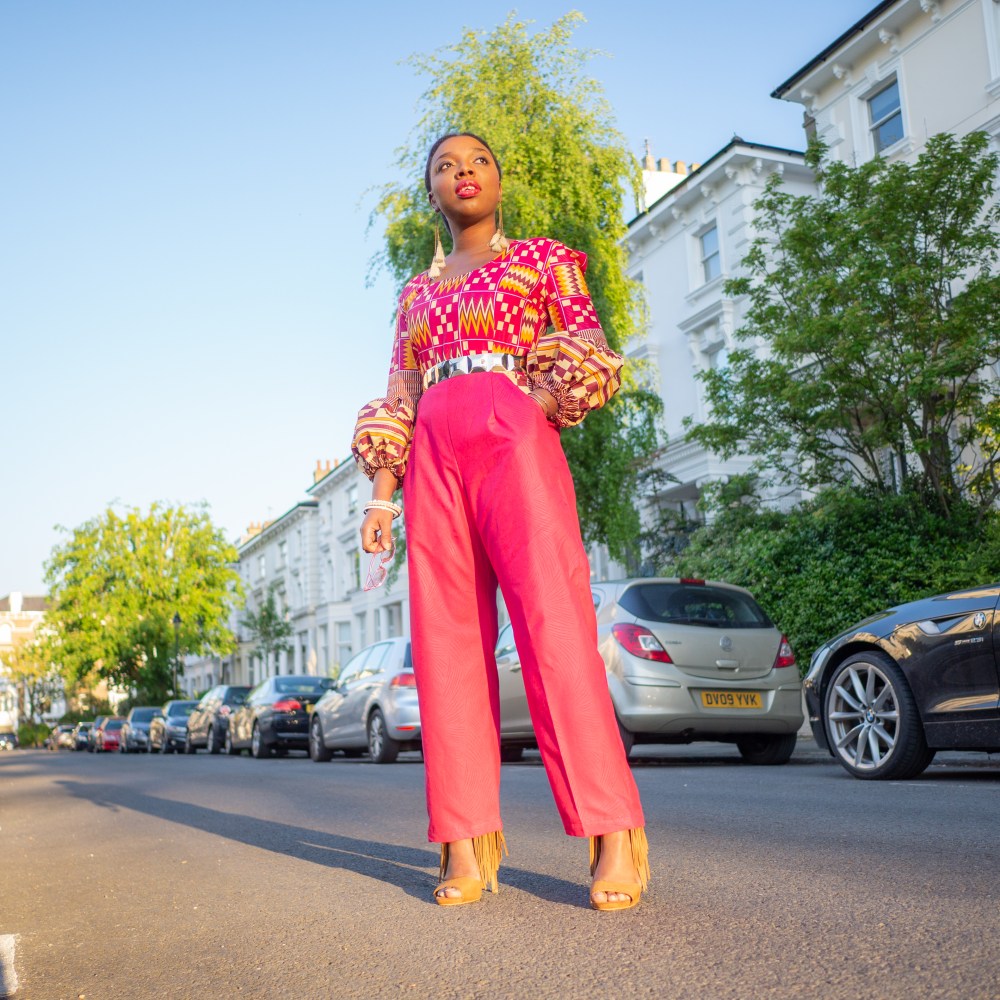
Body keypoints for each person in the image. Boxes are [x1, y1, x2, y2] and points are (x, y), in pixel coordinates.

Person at [353, 132, 649, 910]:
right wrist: (381, 495)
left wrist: (539, 407)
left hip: (514, 431)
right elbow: (400, 390)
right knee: (446, 647)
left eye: (479, 160)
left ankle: (612, 833)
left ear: (499, 180)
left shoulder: (543, 259)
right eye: (446, 165)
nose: (464, 172)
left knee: (553, 631)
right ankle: (463, 843)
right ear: (433, 194)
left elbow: (588, 340)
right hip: (432, 455)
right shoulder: (414, 295)